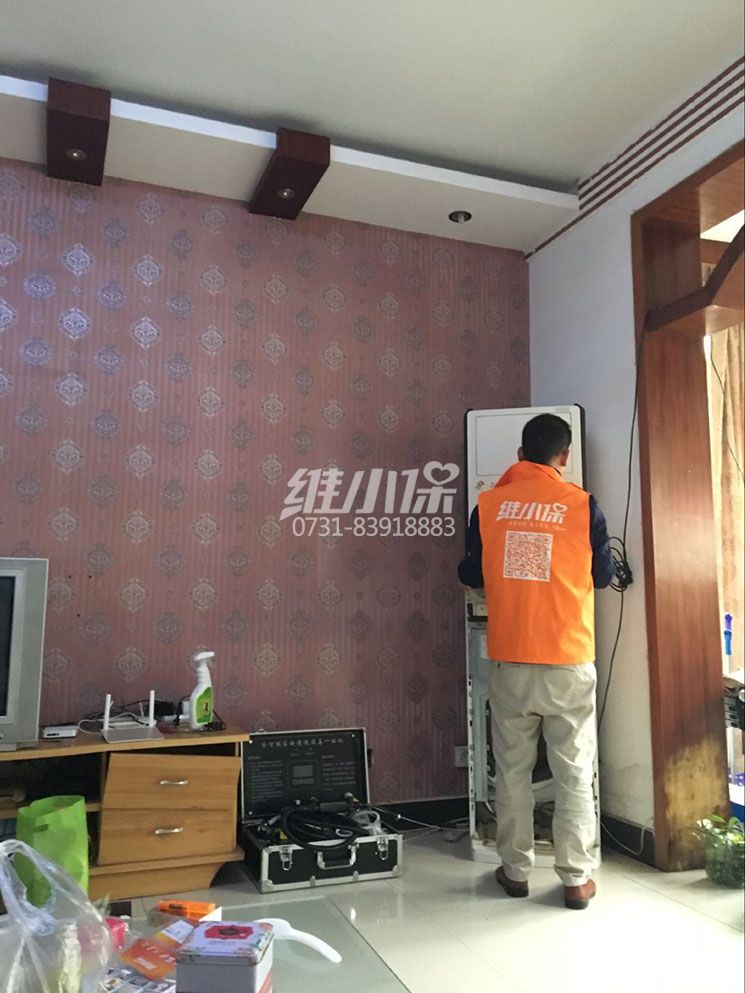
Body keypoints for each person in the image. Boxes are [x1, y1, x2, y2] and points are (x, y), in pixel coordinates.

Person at [458, 413, 619, 910]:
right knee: (574, 770)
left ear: (519, 453)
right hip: (568, 657)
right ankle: (576, 878)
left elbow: (471, 573)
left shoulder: (488, 506)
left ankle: (515, 871)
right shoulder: (582, 504)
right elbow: (601, 575)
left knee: (511, 770)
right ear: (564, 456)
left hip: (511, 658)